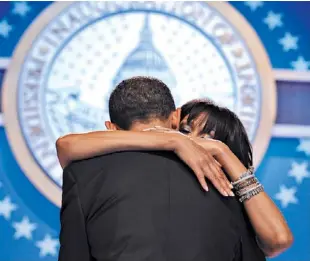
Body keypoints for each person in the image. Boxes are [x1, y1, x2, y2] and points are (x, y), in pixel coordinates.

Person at [58, 76, 268, 261]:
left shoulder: (83, 176)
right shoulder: (222, 179)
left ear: (111, 129)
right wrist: (175, 142)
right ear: (175, 118)